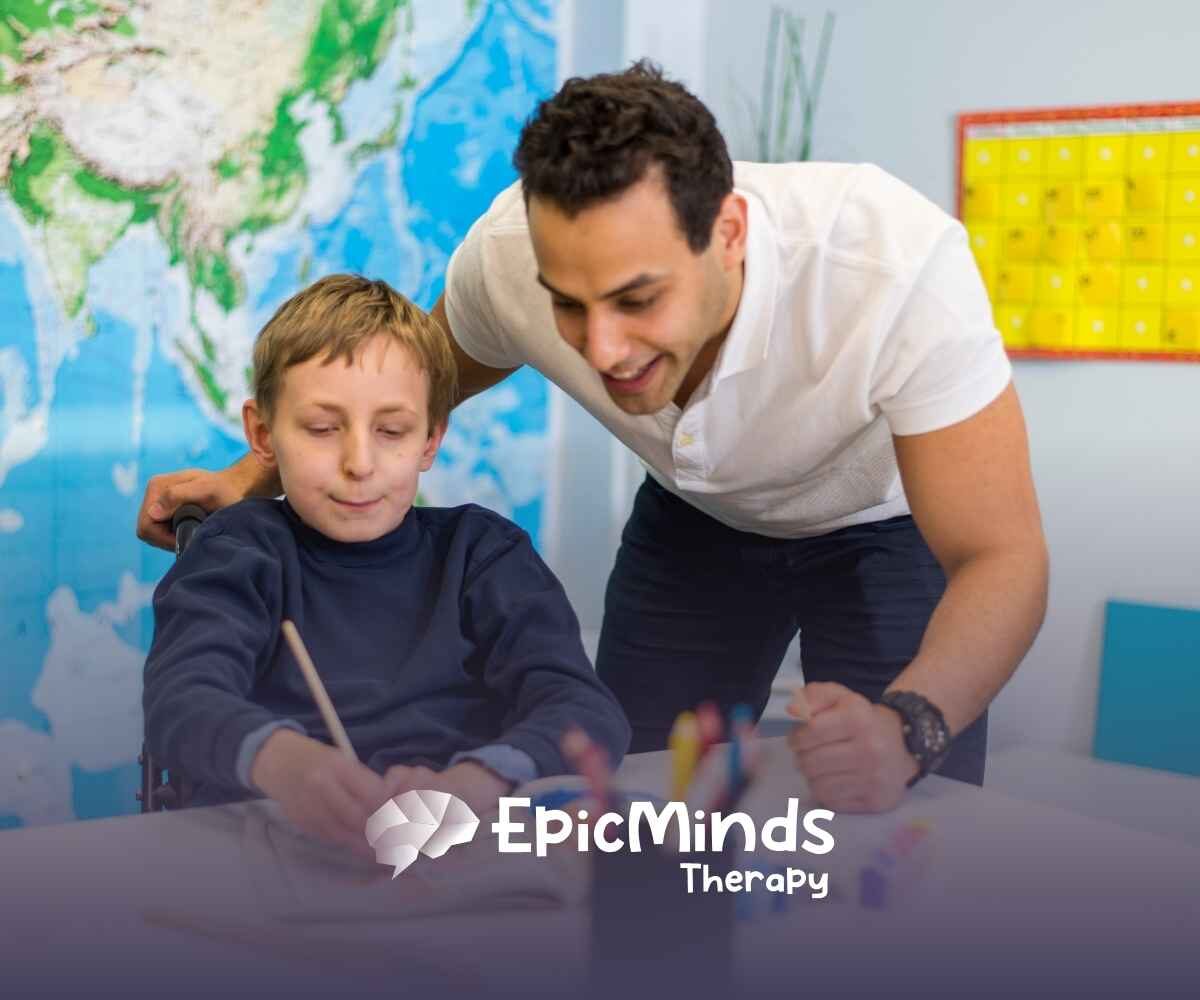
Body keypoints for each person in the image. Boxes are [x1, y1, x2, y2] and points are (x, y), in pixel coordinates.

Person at [139, 63, 1048, 815]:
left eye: (637, 299)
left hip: (882, 524)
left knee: (893, 805)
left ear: (727, 234)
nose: (603, 351)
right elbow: (392, 392)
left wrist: (911, 729)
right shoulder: (506, 261)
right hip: (696, 519)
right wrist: (248, 478)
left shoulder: (891, 266)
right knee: (635, 799)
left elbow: (1002, 557)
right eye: (568, 306)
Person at [142, 275, 630, 853]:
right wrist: (285, 764)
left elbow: (583, 709)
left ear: (430, 440)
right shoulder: (237, 550)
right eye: (323, 429)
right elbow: (181, 697)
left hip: (453, 850)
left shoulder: (483, 554)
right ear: (263, 434)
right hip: (270, 849)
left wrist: (475, 784)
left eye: (392, 430)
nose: (359, 462)